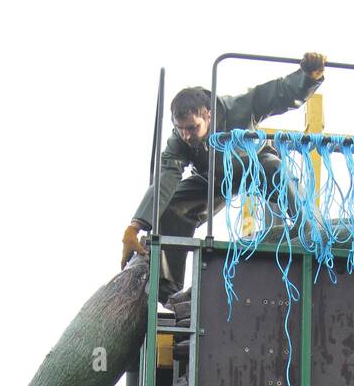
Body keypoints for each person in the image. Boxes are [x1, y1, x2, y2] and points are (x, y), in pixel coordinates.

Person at [121, 53, 326, 299]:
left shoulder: (238, 107)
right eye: (180, 128)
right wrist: (135, 226)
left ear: (208, 114)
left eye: (192, 128)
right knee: (173, 207)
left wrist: (307, 77)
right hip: (213, 179)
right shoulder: (179, 141)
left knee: (280, 172)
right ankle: (167, 289)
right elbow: (166, 176)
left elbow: (279, 93)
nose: (187, 135)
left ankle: (315, 234)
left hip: (254, 164)